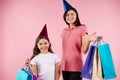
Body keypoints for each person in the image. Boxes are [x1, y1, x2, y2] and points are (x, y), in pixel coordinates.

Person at [61, 0, 96, 80]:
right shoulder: (64, 31)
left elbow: (84, 50)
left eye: (72, 14)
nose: (70, 16)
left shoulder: (82, 28)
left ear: (77, 15)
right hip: (64, 67)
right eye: (67, 15)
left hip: (76, 68)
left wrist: (89, 40)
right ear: (65, 18)